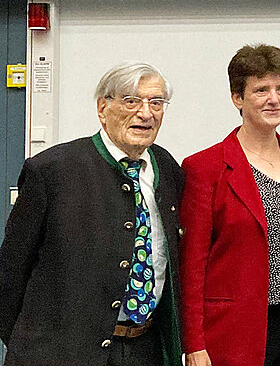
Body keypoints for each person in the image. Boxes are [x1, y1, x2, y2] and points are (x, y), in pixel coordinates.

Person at [0, 61, 183, 365]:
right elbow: (10, 272)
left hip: (144, 349)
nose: (146, 113)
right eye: (131, 101)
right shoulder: (52, 171)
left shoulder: (168, 169)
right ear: (102, 108)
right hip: (61, 354)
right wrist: (30, 348)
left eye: (156, 102)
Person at [179, 44, 280, 366]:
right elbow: (192, 264)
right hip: (235, 326)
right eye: (261, 90)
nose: (274, 99)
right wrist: (193, 342)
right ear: (237, 98)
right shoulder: (205, 167)